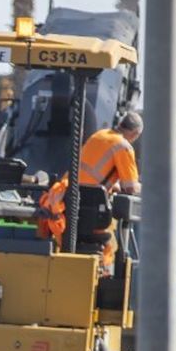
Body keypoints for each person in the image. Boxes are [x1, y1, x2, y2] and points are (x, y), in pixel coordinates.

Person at [37, 111, 143, 266]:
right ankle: (104, 274)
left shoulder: (99, 135)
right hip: (90, 209)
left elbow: (92, 174)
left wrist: (113, 185)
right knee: (111, 247)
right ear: (135, 134)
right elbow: (131, 188)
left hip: (64, 200)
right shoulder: (123, 146)